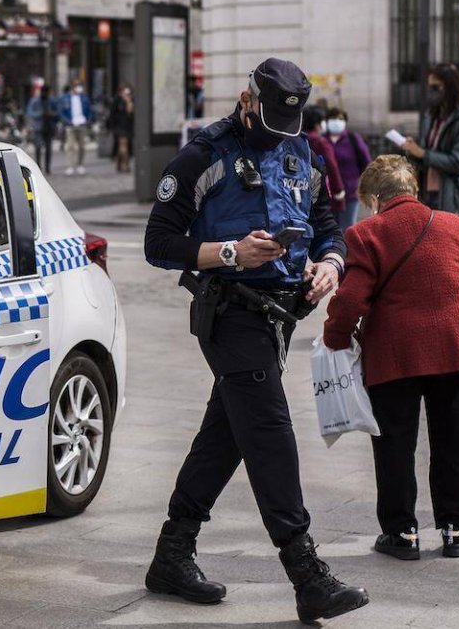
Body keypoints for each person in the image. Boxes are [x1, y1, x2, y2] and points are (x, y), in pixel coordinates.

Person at [143, 58, 368, 624]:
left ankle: (173, 552)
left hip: (281, 315)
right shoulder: (205, 155)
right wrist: (228, 253)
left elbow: (326, 223)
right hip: (229, 313)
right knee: (268, 431)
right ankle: (305, 572)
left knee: (227, 433)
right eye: (269, 122)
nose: (278, 135)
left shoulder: (303, 152)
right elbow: (158, 241)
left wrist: (331, 264)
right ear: (248, 102)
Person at [322, 155, 459, 561]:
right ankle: (456, 529)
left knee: (396, 445)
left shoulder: (366, 233)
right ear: (413, 191)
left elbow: (351, 298)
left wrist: (334, 338)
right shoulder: (452, 224)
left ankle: (402, 534)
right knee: (454, 441)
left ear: (374, 198)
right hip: (457, 345)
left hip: (397, 352)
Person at [399, 64, 459, 235]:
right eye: (430, 87)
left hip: (454, 194)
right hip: (428, 190)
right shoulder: (432, 117)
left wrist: (423, 153)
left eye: (436, 87)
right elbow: (425, 153)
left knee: (450, 242)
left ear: (450, 86)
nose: (431, 92)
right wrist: (412, 150)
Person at [325, 108, 372, 229]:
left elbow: (367, 163)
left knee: (348, 228)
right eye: (333, 118)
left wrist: (362, 184)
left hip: (350, 193)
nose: (336, 121)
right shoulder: (322, 140)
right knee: (330, 229)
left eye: (340, 119)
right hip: (327, 194)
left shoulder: (353, 139)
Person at [302, 106, 347, 216]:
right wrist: (338, 189)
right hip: (322, 191)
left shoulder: (299, 140)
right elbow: (332, 166)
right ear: (317, 123)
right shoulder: (321, 142)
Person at [60, 78, 92, 175]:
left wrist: (87, 120)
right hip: (70, 124)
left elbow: (89, 111)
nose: (78, 87)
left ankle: (80, 164)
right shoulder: (65, 98)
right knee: (70, 146)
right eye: (77, 85)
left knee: (82, 146)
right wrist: (67, 121)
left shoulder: (84, 98)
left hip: (82, 124)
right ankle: (70, 166)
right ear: (72, 87)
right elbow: (62, 112)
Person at [26, 84, 59, 173]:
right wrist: (40, 114)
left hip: (49, 126)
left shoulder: (52, 100)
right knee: (38, 147)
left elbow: (57, 112)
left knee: (48, 148)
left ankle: (47, 167)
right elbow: (30, 112)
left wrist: (51, 114)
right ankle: (38, 166)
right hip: (39, 126)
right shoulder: (35, 101)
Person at [108, 83, 134, 173]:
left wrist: (128, 102)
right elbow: (112, 114)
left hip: (127, 127)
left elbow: (131, 113)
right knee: (123, 145)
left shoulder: (131, 100)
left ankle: (119, 162)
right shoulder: (117, 100)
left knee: (123, 146)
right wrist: (112, 127)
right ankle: (126, 164)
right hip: (118, 127)